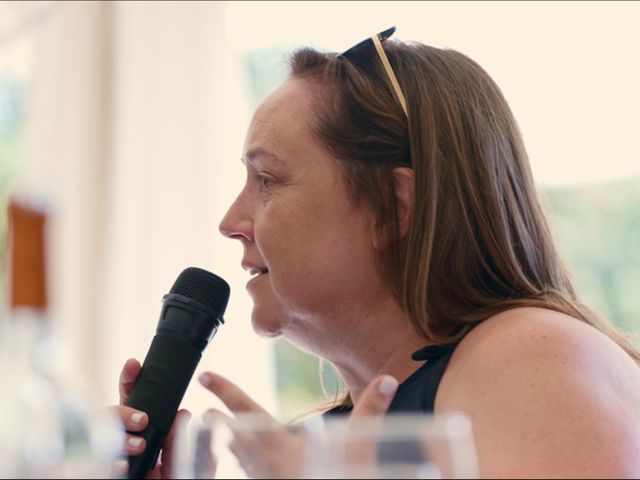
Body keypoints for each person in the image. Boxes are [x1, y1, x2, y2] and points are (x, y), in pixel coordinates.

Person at [114, 27, 640, 478]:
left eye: (267, 179)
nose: (231, 223)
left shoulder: (529, 352)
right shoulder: (329, 441)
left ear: (394, 205)